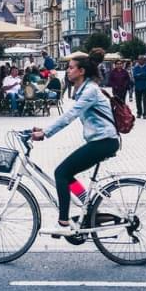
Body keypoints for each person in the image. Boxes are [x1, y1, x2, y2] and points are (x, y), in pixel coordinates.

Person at [31, 49, 120, 235]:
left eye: (71, 68)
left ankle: (63, 223)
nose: (68, 71)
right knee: (67, 174)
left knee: (61, 173)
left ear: (81, 71)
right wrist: (41, 129)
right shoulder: (84, 89)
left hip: (104, 141)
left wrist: (46, 133)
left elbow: (70, 115)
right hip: (100, 140)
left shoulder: (89, 91)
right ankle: (88, 203)